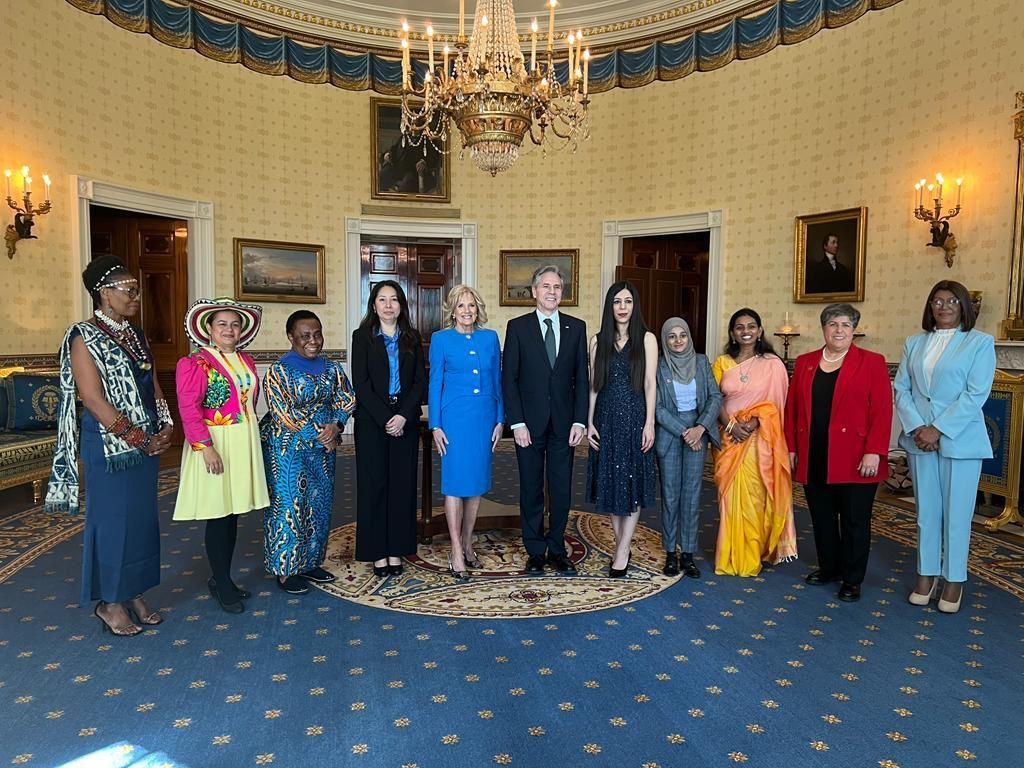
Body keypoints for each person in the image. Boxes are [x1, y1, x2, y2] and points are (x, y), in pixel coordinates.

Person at [46, 255, 173, 636]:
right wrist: (138, 438)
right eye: (128, 290)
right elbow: (92, 398)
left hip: (146, 443)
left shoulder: (137, 335)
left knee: (141, 522)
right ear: (104, 292)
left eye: (136, 290)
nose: (136, 296)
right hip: (109, 446)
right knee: (113, 523)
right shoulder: (82, 335)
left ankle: (133, 591)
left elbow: (152, 384)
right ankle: (110, 602)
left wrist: (166, 423)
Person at [894, 280, 995, 614]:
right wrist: (918, 428)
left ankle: (954, 579)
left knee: (957, 515)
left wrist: (937, 429)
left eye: (952, 301)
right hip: (919, 438)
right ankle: (926, 573)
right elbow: (902, 389)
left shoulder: (980, 343)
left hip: (960, 439)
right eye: (937, 301)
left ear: (964, 305)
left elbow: (975, 394)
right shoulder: (914, 342)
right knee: (926, 512)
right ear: (930, 307)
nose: (944, 306)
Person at [784, 304, 892, 602]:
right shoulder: (805, 362)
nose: (839, 330)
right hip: (814, 453)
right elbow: (792, 410)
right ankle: (829, 567)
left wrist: (874, 451)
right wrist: (791, 447)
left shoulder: (871, 362)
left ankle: (852, 579)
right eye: (833, 324)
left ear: (854, 330)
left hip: (856, 457)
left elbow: (882, 410)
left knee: (855, 520)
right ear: (824, 329)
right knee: (822, 517)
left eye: (846, 324)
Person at [174, 298, 268, 614]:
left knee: (233, 512)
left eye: (235, 324)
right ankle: (222, 582)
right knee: (219, 514)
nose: (229, 330)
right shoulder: (195, 362)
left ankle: (221, 577)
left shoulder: (246, 360)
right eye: (222, 324)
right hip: (215, 443)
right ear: (209, 329)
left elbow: (248, 403)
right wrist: (205, 446)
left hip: (243, 440)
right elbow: (188, 408)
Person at [260, 311, 356, 594]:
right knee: (290, 507)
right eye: (305, 336)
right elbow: (282, 413)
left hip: (324, 449)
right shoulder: (278, 371)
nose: (313, 341)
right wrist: (321, 436)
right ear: (291, 337)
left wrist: (337, 425)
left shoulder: (332, 368)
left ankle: (310, 563)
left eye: (317, 334)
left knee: (319, 506)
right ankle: (286, 570)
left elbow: (347, 398)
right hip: (287, 450)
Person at [502, 265, 589, 574]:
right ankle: (536, 551)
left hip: (565, 425)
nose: (552, 292)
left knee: (562, 490)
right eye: (546, 286)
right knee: (531, 489)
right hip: (528, 424)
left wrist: (580, 421)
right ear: (534, 291)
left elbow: (582, 379)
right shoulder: (517, 327)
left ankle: (557, 549)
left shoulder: (576, 327)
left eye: (557, 287)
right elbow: (509, 379)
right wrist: (516, 423)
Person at [711, 308, 798, 577]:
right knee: (729, 498)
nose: (745, 331)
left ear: (760, 331)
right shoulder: (722, 363)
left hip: (760, 440)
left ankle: (751, 554)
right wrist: (731, 425)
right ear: (732, 333)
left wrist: (754, 423)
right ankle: (730, 554)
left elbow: (777, 404)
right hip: (728, 439)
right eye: (739, 327)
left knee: (755, 498)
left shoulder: (772, 364)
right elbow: (713, 399)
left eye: (751, 326)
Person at [351, 280, 426, 577]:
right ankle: (377, 552)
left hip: (405, 421)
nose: (388, 305)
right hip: (373, 421)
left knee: (402, 487)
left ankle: (397, 549)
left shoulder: (412, 337)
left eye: (394, 299)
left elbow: (420, 381)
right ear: (373, 305)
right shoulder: (362, 337)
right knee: (374, 486)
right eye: (382, 299)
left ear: (401, 305)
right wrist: (386, 418)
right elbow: (361, 384)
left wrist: (403, 416)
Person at [429, 285, 504, 578]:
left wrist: (500, 418)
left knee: (475, 483)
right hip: (454, 420)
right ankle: (456, 549)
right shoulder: (441, 339)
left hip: (484, 417)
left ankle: (468, 542)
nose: (467, 311)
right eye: (461, 306)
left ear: (478, 308)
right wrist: (435, 424)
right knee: (454, 483)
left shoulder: (490, 338)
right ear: (452, 310)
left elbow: (497, 380)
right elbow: (435, 383)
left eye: (471, 305)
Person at [585, 282, 658, 577]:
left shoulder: (647, 339)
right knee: (612, 484)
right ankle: (622, 546)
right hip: (605, 418)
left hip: (635, 417)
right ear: (610, 306)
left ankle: (623, 549)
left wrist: (649, 423)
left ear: (634, 305)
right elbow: (593, 385)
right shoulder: (597, 341)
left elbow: (650, 384)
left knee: (632, 483)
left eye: (628, 301)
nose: (623, 307)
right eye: (617, 301)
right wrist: (589, 422)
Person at [654, 317, 721, 577]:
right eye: (671, 336)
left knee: (692, 495)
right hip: (671, 433)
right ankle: (671, 552)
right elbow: (657, 406)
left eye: (682, 335)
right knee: (670, 495)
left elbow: (715, 396)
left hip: (698, 431)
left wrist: (700, 428)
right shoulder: (659, 365)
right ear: (665, 340)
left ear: (689, 337)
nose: (678, 340)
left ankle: (688, 554)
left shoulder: (702, 362)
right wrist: (684, 431)